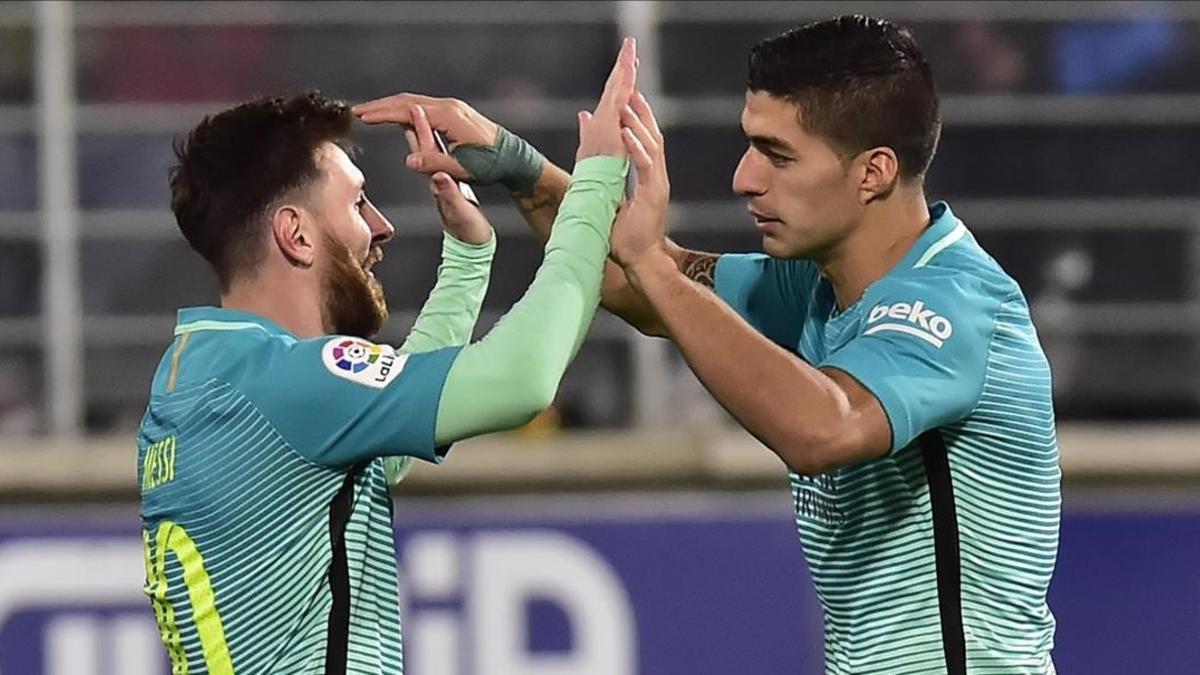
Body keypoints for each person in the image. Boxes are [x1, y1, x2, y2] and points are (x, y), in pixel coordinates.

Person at [357, 16, 1059, 675]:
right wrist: (521, 169)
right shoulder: (821, 287)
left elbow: (825, 426)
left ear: (872, 172)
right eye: (751, 145)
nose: (744, 178)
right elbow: (635, 278)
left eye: (778, 155)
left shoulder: (950, 303)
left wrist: (656, 268)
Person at [137, 39, 638, 674]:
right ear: (294, 233)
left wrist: (466, 259)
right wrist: (593, 184)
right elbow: (522, 380)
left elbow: (377, 447)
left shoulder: (195, 375)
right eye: (355, 202)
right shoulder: (284, 384)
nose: (380, 226)